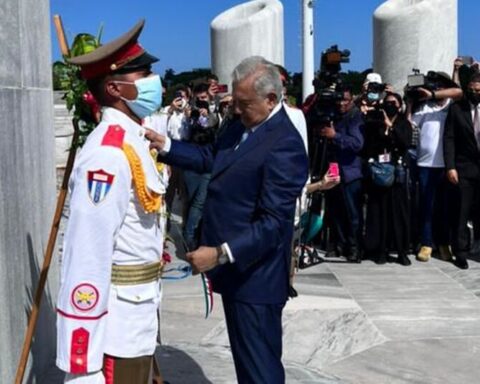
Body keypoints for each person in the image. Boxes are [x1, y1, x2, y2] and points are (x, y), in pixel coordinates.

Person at [146, 56, 308, 383]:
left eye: (244, 104)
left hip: (255, 277)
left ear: (271, 99)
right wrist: (165, 145)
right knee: (247, 364)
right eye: (235, 102)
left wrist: (220, 253)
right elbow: (211, 158)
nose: (236, 110)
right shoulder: (242, 125)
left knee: (260, 369)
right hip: (236, 275)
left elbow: (273, 224)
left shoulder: (285, 145)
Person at [56, 20, 168, 384]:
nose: (154, 80)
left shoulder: (135, 140)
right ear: (114, 87)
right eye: (144, 74)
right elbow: (87, 253)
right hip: (115, 328)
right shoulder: (108, 154)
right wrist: (82, 356)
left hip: (138, 314)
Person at [408, 71, 463, 262]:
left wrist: (434, 94)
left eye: (441, 86)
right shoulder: (425, 108)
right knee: (427, 206)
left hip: (447, 165)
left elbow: (458, 91)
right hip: (425, 164)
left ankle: (444, 243)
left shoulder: (453, 107)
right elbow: (410, 124)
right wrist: (410, 100)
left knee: (445, 207)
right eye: (435, 86)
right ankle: (426, 243)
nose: (437, 89)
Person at [362, 93, 412, 265]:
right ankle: (379, 249)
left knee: (398, 214)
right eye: (387, 103)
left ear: (399, 105)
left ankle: (401, 251)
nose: (390, 105)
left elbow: (405, 143)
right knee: (379, 212)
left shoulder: (403, 123)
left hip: (397, 172)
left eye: (393, 103)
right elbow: (369, 145)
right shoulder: (375, 122)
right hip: (380, 173)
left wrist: (391, 128)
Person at [319, 85, 364, 263]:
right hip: (334, 169)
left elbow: (357, 144)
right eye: (339, 100)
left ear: (352, 99)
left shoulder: (355, 117)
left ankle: (354, 249)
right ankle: (339, 244)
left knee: (353, 214)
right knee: (335, 211)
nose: (341, 103)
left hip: (350, 172)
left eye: (345, 100)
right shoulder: (334, 115)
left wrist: (334, 135)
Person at [443, 72, 480, 269]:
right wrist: (450, 166)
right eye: (471, 90)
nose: (475, 93)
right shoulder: (457, 109)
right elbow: (449, 139)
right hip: (464, 167)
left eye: (478, 91)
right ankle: (461, 252)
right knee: (461, 212)